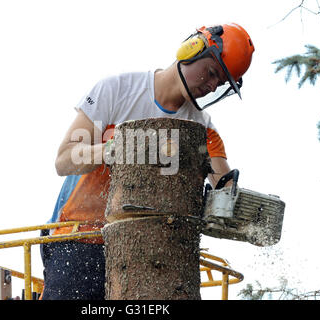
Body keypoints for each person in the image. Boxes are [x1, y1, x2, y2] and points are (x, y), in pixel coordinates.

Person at [40, 22, 255, 300]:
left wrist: (243, 210)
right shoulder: (116, 91)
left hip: (152, 252)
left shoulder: (202, 130)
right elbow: (64, 159)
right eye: (212, 72)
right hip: (81, 238)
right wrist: (112, 149)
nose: (212, 85)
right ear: (191, 50)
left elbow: (224, 191)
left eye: (221, 82)